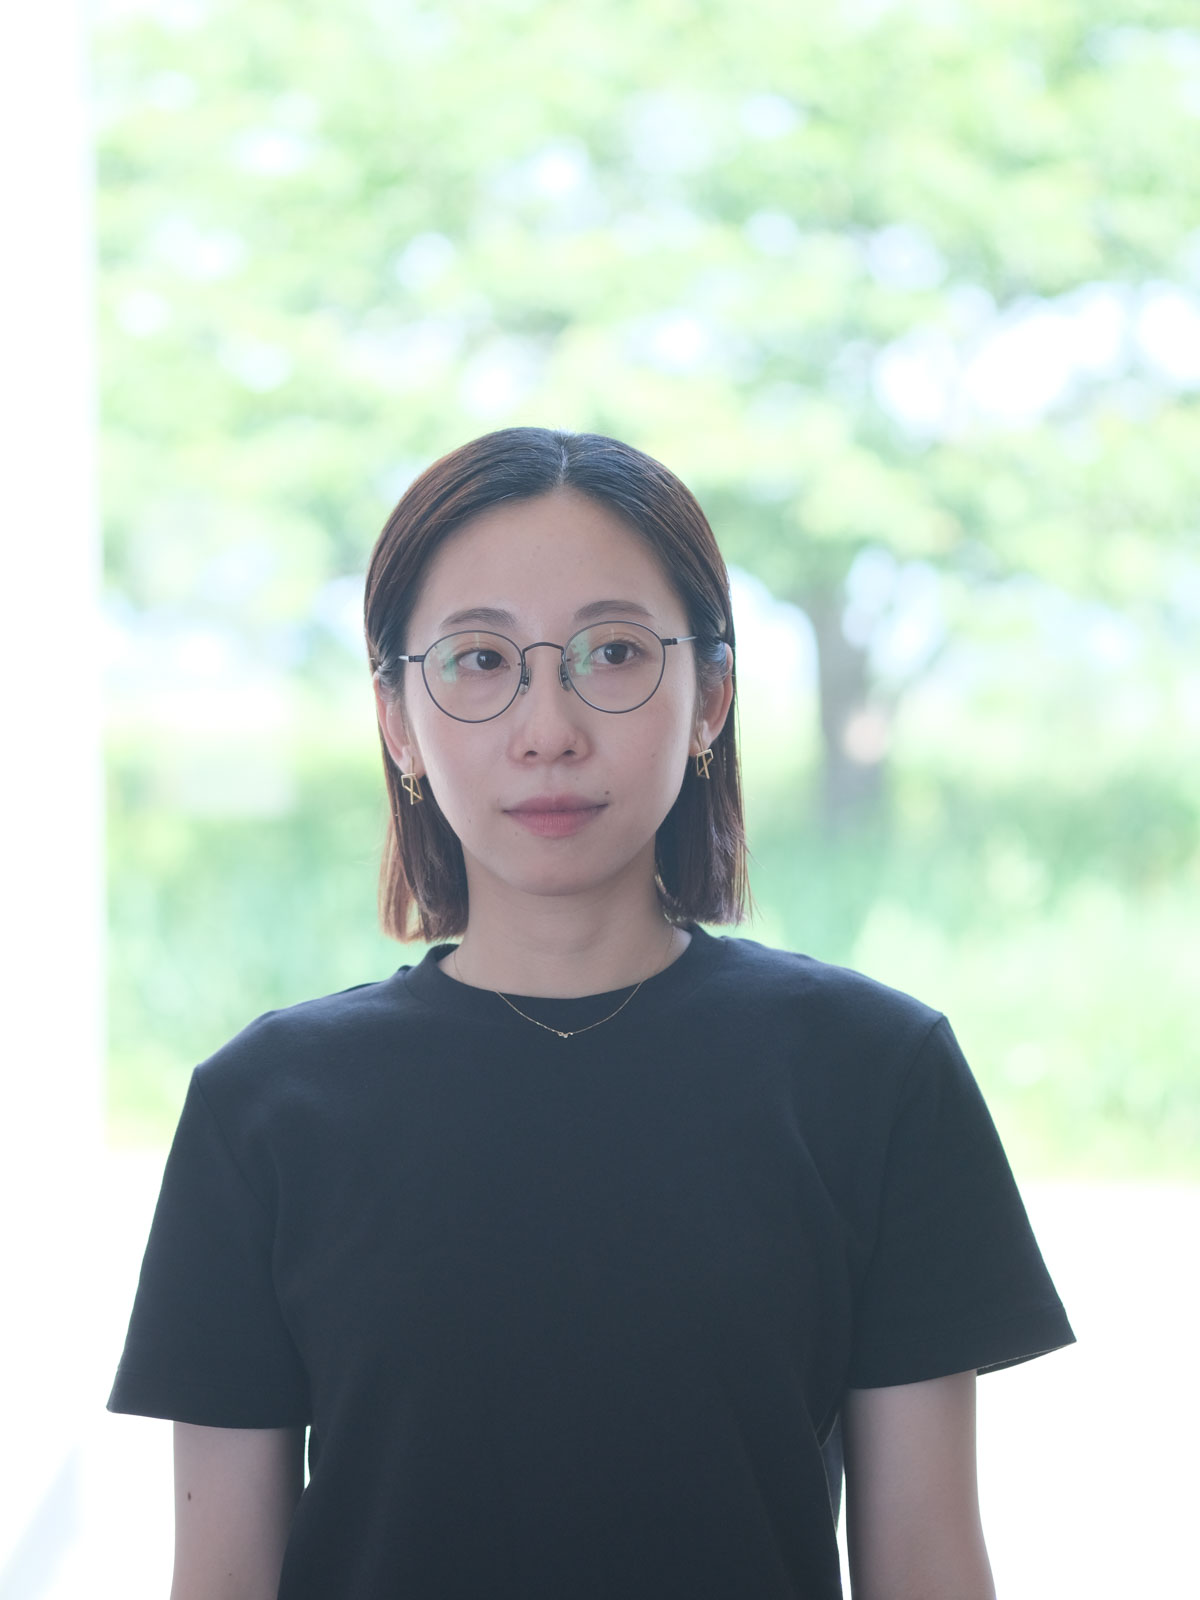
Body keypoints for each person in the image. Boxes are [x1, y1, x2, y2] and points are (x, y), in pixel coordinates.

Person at [109, 426, 1074, 1600]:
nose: (548, 730)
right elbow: (219, 1583)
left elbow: (928, 1568)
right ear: (398, 719)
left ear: (711, 696)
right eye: (480, 660)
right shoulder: (261, 1110)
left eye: (612, 653)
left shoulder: (877, 1074)